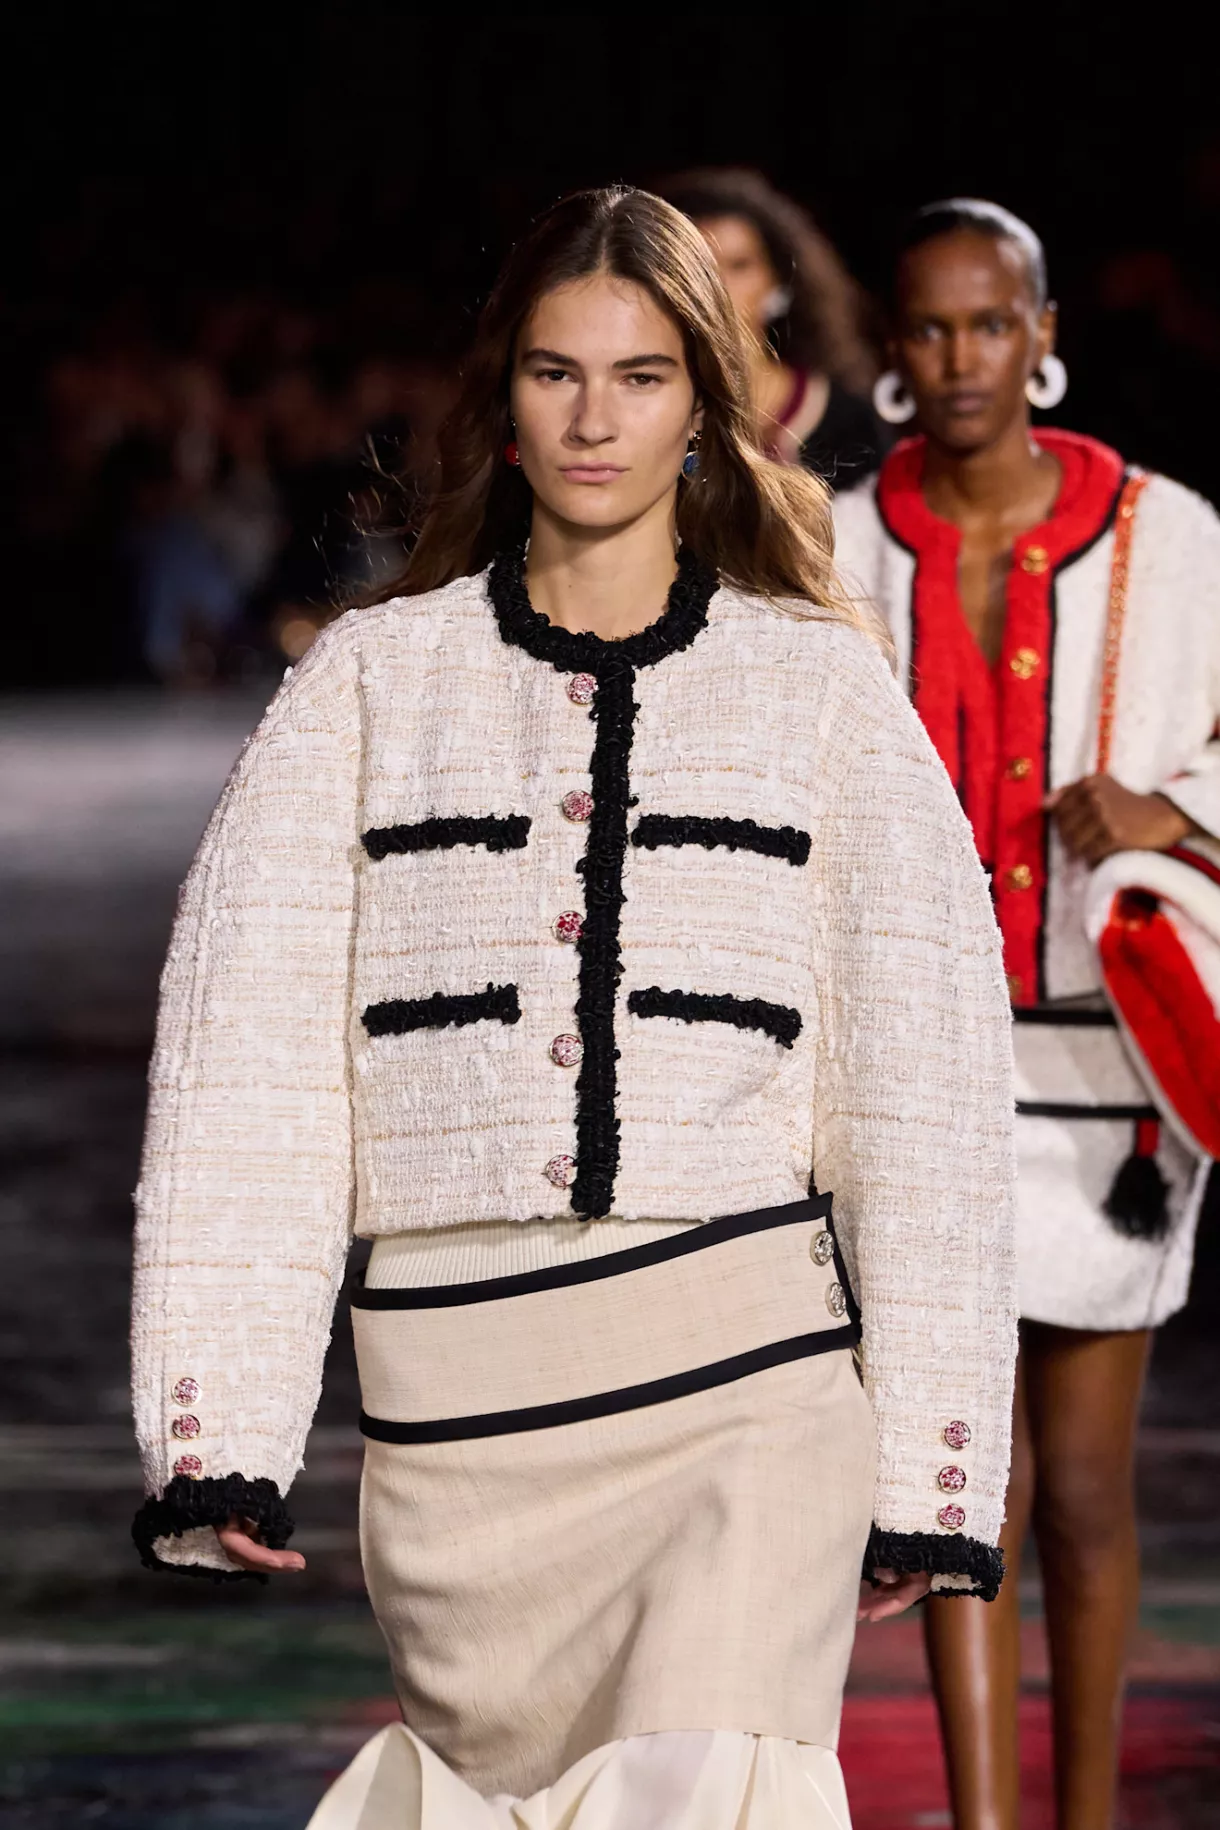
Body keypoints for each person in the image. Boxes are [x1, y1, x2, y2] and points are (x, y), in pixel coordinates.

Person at [130, 186, 1017, 1828]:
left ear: (705, 407)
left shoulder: (819, 689)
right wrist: (219, 1427)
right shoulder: (369, 687)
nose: (596, 419)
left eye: (642, 376)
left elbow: (923, 1091)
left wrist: (932, 1462)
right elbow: (247, 1078)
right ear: (505, 398)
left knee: (715, 1783)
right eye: (557, 373)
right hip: (468, 1416)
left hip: (750, 1383)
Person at [831, 198, 1220, 1830]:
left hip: (1110, 1064)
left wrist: (1172, 813)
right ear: (893, 350)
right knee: (958, 1479)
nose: (962, 356)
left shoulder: (1170, 533)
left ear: (1043, 335)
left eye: (992, 323)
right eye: (930, 327)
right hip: (921, 1061)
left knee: (1084, 1489)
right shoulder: (841, 540)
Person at [660, 168, 888, 488]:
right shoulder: (644, 408)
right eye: (700, 267)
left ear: (777, 282)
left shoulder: (845, 419)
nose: (719, 286)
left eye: (739, 265)